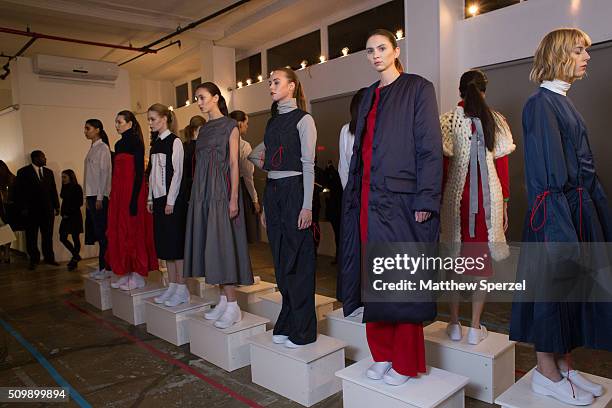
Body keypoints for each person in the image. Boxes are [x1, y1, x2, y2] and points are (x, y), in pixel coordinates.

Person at [510, 28, 611, 406]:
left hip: (577, 212)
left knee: (572, 294)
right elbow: (547, 177)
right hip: (556, 217)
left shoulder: (563, 101)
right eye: (579, 50)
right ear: (558, 54)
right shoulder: (540, 105)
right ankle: (545, 373)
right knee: (552, 292)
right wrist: (560, 230)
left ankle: (565, 366)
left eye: (586, 50)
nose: (586, 56)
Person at [339, 29, 442, 385]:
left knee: (402, 280)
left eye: (382, 48)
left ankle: (404, 361)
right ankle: (381, 354)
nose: (376, 55)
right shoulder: (367, 95)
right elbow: (360, 152)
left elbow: (430, 147)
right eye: (369, 51)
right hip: (368, 199)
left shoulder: (418, 88)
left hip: (402, 200)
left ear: (395, 51)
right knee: (373, 279)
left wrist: (427, 198)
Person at [440, 69, 515, 345]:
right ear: (485, 89)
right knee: (480, 262)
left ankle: (454, 323)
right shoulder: (497, 120)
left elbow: (442, 170)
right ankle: (474, 328)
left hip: (456, 201)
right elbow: (502, 168)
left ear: (460, 91)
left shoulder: (447, 121)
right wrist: (505, 204)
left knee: (455, 261)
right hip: (488, 200)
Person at [249, 67, 318, 348]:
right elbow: (256, 155)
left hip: (295, 190)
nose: (271, 86)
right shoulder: (273, 122)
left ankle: (304, 329)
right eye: (269, 82)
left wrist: (307, 207)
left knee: (298, 261)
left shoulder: (304, 120)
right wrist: (266, 202)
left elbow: (308, 165)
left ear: (292, 86)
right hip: (274, 192)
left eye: (276, 82)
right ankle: (287, 320)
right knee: (279, 260)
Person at [184, 82, 254, 329]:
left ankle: (233, 305)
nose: (199, 102)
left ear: (215, 98)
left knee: (223, 245)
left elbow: (235, 164)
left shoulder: (229, 126)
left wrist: (234, 198)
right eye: (197, 98)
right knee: (211, 246)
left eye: (202, 97)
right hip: (202, 192)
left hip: (221, 192)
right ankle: (224, 301)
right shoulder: (203, 130)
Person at [106, 110, 158, 290]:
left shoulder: (136, 142)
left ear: (129, 123)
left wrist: (135, 198)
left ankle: (138, 273)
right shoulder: (118, 144)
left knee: (134, 231)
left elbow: (138, 173)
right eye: (116, 122)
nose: (117, 126)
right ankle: (126, 271)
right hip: (119, 193)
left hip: (133, 192)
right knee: (121, 230)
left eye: (120, 122)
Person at [146, 103, 190, 307]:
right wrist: (150, 198)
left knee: (175, 246)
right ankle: (172, 286)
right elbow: (151, 175)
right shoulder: (155, 144)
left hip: (172, 202)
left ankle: (182, 288)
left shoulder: (175, 142)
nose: (150, 123)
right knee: (165, 247)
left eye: (153, 119)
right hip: (158, 199)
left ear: (164, 119)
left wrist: (170, 201)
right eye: (149, 119)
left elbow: (178, 174)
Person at [14, 150, 60, 270]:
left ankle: (49, 258)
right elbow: (19, 192)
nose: (45, 159)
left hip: (47, 211)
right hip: (31, 212)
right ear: (36, 158)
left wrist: (57, 206)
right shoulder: (23, 172)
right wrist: (23, 208)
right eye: (43, 157)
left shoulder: (49, 172)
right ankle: (34, 259)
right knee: (31, 236)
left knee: (47, 236)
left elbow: (53, 191)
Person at [83, 119, 112, 279]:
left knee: (103, 233)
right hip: (92, 196)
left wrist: (100, 197)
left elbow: (105, 174)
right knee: (98, 233)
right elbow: (89, 177)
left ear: (97, 129)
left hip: (99, 196)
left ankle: (106, 267)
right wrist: (87, 197)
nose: (85, 131)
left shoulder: (103, 148)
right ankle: (102, 266)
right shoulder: (92, 149)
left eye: (88, 128)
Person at [229, 110, 261, 243]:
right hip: (241, 191)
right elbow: (248, 176)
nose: (247, 126)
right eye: (246, 123)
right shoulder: (244, 146)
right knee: (243, 234)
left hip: (226, 188)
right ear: (240, 124)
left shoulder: (223, 143)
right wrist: (255, 199)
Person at [338, 88, 367, 189]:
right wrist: (348, 193)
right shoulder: (346, 130)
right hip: (354, 191)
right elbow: (343, 168)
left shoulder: (379, 129)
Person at [59, 169, 83, 270]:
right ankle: (76, 256)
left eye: (64, 177)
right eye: (62, 177)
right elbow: (65, 202)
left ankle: (74, 260)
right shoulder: (64, 187)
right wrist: (63, 213)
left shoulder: (77, 187)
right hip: (65, 216)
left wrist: (68, 213)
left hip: (74, 216)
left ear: (70, 177)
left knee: (75, 238)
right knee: (62, 237)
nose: (62, 179)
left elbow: (79, 203)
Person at [182, 115, 206, 203]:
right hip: (196, 187)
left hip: (186, 187)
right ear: (196, 129)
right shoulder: (199, 147)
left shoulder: (184, 145)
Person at [0, 160, 16, 263]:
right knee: (5, 230)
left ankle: (6, 253)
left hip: (7, 208)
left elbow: (12, 195)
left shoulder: (11, 179)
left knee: (6, 229)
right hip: (4, 208)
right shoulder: (11, 178)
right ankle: (6, 253)